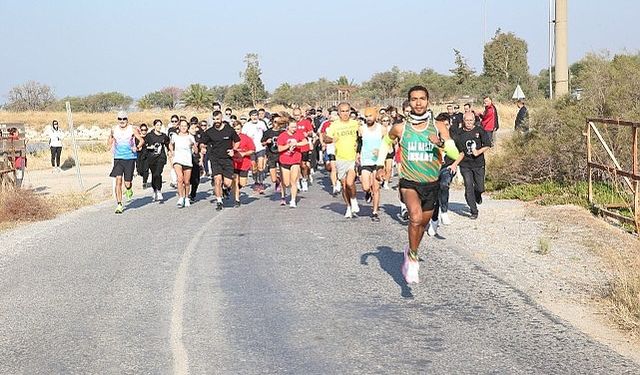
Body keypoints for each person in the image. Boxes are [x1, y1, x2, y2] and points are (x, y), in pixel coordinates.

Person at [376, 86, 459, 284]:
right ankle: (413, 260)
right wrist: (381, 165)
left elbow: (455, 154)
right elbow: (385, 143)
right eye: (414, 99)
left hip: (431, 183)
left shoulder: (439, 126)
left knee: (421, 225)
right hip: (409, 182)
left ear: (428, 101)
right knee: (414, 217)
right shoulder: (400, 128)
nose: (418, 103)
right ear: (409, 102)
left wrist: (440, 143)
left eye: (422, 99)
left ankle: (410, 251)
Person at [427, 113, 465, 236]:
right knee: (434, 197)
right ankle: (434, 220)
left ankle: (444, 212)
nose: (444, 127)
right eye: (441, 125)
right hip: (433, 169)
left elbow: (462, 153)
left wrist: (455, 165)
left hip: (448, 167)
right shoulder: (431, 135)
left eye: (446, 124)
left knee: (444, 184)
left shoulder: (455, 135)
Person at [324, 102, 360, 218]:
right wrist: (331, 139)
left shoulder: (355, 124)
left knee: (350, 183)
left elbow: (362, 137)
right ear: (338, 113)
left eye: (347, 111)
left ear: (350, 112)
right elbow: (325, 138)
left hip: (352, 158)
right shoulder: (334, 125)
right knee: (345, 186)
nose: (345, 113)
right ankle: (348, 206)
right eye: (342, 111)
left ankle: (354, 200)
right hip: (340, 158)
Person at [200, 111, 240, 211]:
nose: (216, 121)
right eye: (214, 119)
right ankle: (219, 201)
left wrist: (233, 150)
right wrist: (203, 148)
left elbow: (237, 141)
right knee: (217, 180)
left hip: (227, 159)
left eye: (218, 119)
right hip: (215, 159)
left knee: (227, 183)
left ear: (222, 118)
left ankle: (226, 189)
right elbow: (202, 143)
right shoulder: (209, 132)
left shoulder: (229, 130)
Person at [457, 111, 492, 219]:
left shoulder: (479, 130)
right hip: (465, 164)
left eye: (471, 120)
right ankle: (474, 210)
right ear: (463, 121)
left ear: (474, 121)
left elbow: (487, 145)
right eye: (466, 120)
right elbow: (454, 148)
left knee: (480, 187)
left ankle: (478, 194)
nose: (468, 122)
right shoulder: (459, 133)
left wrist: (478, 152)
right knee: (468, 186)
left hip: (478, 163)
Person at [109, 111, 145, 214]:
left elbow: (141, 140)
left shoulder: (132, 129)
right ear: (117, 120)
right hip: (118, 158)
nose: (122, 121)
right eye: (120, 119)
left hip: (130, 158)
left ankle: (129, 189)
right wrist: (110, 145)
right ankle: (119, 204)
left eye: (124, 119)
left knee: (127, 183)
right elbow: (111, 140)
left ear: (127, 119)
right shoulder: (114, 129)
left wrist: (137, 147)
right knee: (118, 180)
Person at [358, 108, 386, 222]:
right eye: (366, 116)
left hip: (377, 162)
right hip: (365, 160)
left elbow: (387, 145)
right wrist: (357, 154)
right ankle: (367, 192)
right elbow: (359, 143)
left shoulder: (382, 129)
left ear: (375, 116)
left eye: (370, 116)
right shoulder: (361, 129)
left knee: (376, 188)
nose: (368, 118)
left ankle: (374, 212)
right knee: (365, 186)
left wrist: (381, 152)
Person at [277, 117, 307, 207]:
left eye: (295, 127)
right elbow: (279, 149)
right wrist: (288, 145)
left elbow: (305, 142)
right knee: (286, 183)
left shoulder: (299, 134)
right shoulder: (282, 136)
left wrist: (296, 144)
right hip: (285, 161)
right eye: (293, 127)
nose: (295, 129)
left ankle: (293, 200)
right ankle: (283, 190)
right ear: (288, 127)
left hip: (295, 160)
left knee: (293, 181)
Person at [169, 119, 198, 208]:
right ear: (179, 127)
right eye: (182, 126)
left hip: (187, 160)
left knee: (187, 181)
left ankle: (186, 197)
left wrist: (193, 145)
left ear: (188, 127)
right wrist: (172, 151)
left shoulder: (190, 137)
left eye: (185, 126)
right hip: (177, 159)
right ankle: (181, 197)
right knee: (180, 178)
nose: (183, 128)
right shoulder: (175, 136)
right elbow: (170, 144)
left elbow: (196, 151)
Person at [242, 109, 268, 193]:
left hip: (260, 147)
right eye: (252, 115)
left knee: (260, 166)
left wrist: (266, 141)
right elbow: (243, 136)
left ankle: (261, 183)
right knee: (254, 168)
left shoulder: (262, 123)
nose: (254, 117)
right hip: (251, 149)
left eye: (256, 115)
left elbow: (267, 133)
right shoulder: (246, 125)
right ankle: (255, 182)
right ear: (250, 117)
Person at [261, 114, 285, 202]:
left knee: (283, 176)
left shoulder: (283, 132)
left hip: (281, 155)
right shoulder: (268, 132)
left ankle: (283, 197)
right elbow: (262, 143)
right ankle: (277, 181)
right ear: (272, 122)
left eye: (279, 122)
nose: (277, 124)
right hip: (271, 155)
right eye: (275, 122)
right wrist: (266, 142)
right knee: (273, 179)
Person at [144, 119, 170, 201]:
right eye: (157, 125)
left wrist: (170, 152)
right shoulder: (149, 135)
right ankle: (154, 190)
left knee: (158, 174)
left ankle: (159, 190)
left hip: (161, 158)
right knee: (154, 174)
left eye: (160, 125)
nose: (159, 126)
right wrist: (149, 147)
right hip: (151, 158)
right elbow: (144, 146)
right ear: (154, 126)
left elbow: (168, 145)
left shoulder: (164, 136)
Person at [232, 121, 256, 207]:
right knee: (235, 180)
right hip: (233, 164)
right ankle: (237, 199)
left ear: (241, 129)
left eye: (238, 129)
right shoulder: (230, 139)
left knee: (243, 183)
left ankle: (234, 188)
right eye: (234, 129)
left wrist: (244, 154)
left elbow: (252, 150)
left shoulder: (246, 138)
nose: (236, 131)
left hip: (244, 164)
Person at [319, 107, 340, 195]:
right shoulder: (325, 124)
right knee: (332, 168)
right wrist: (323, 143)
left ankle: (338, 181)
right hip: (330, 148)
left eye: (335, 115)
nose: (333, 116)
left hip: (341, 149)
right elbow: (321, 134)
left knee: (339, 168)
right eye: (332, 114)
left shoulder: (341, 124)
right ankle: (334, 186)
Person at [292, 108, 314, 192]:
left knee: (303, 165)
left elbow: (311, 132)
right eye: (295, 115)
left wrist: (307, 133)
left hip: (304, 147)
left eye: (298, 115)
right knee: (296, 166)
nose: (296, 117)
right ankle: (297, 182)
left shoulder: (306, 122)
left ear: (301, 114)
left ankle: (304, 179)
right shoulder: (292, 123)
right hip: (295, 148)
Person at [188, 117, 205, 202]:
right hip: (186, 158)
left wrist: (201, 160)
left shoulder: (198, 136)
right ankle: (185, 194)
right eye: (192, 128)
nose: (194, 130)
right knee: (187, 178)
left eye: (195, 128)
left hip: (195, 158)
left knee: (196, 179)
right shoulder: (185, 136)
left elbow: (201, 149)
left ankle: (193, 194)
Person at [135, 123, 150, 188]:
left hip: (147, 155)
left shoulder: (149, 137)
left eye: (145, 130)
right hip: (139, 155)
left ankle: (144, 182)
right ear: (140, 130)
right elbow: (135, 145)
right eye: (142, 130)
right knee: (140, 170)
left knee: (146, 169)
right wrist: (138, 147)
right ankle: (141, 174)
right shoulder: (138, 138)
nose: (144, 131)